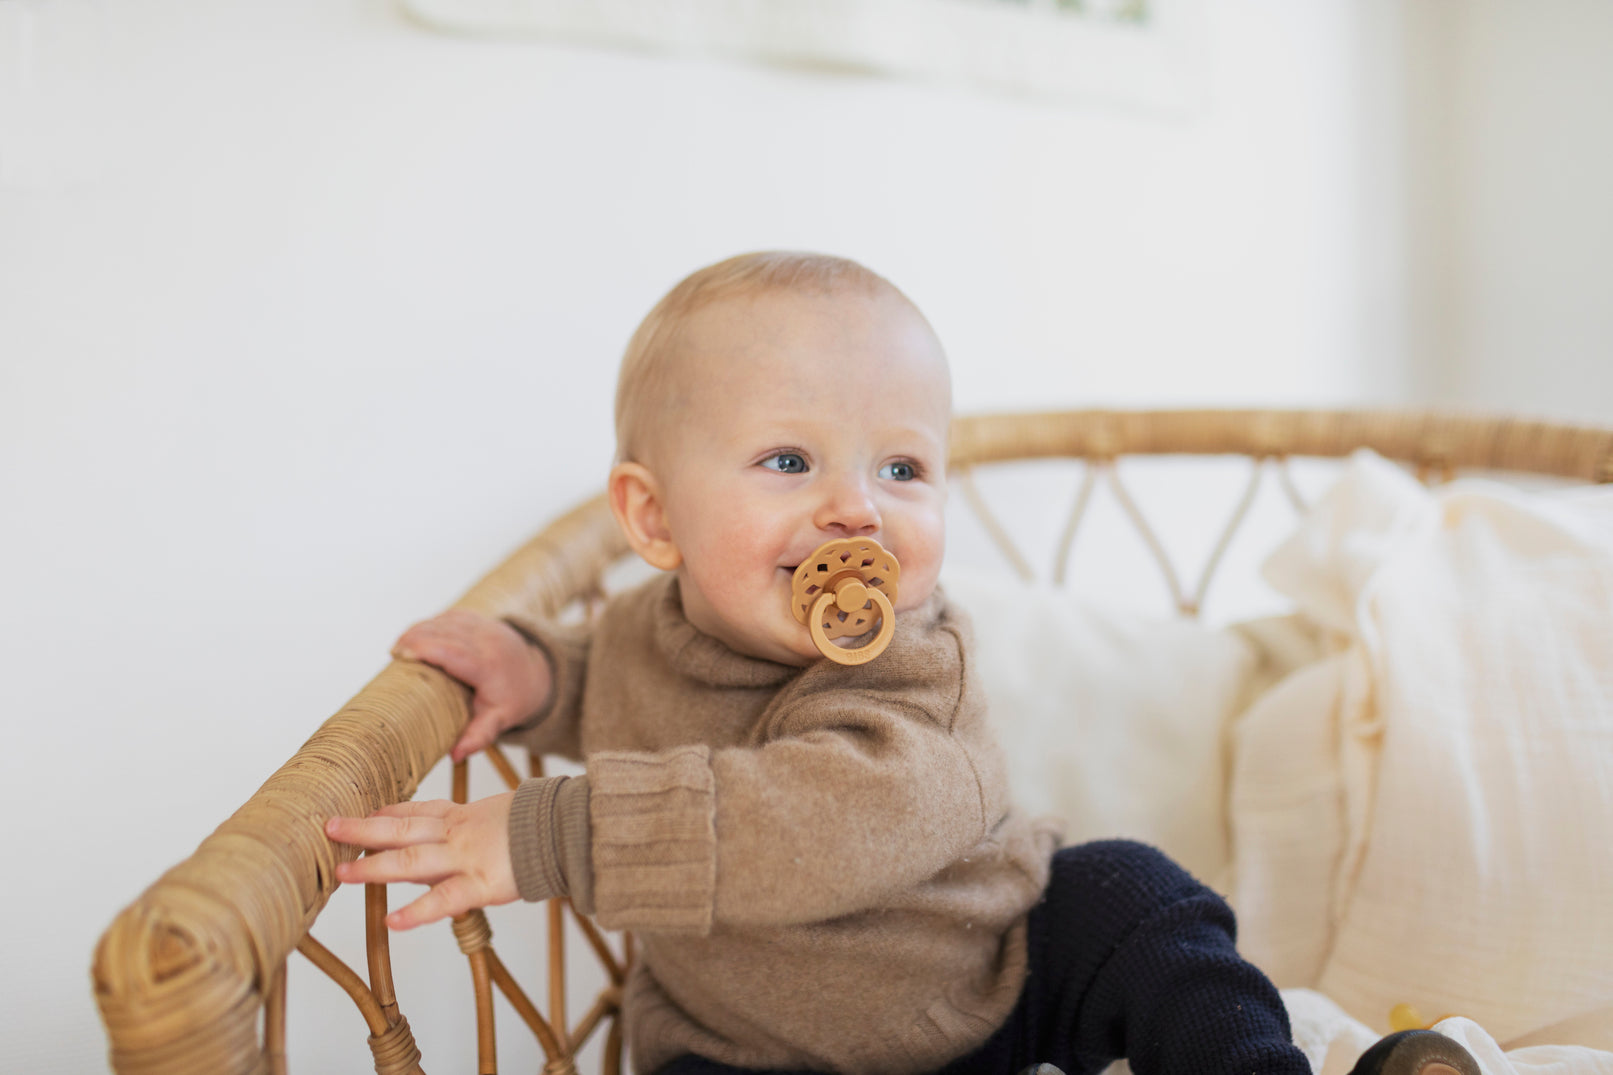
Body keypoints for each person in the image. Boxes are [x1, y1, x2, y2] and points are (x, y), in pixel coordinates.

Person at [326, 252, 1478, 1075]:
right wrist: (535, 673)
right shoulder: (641, 627)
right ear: (654, 519)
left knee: (1131, 895)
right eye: (788, 459)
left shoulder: (918, 669)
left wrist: (553, 835)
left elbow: (817, 820)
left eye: (902, 470)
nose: (854, 512)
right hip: (741, 1045)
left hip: (986, 985)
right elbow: (614, 682)